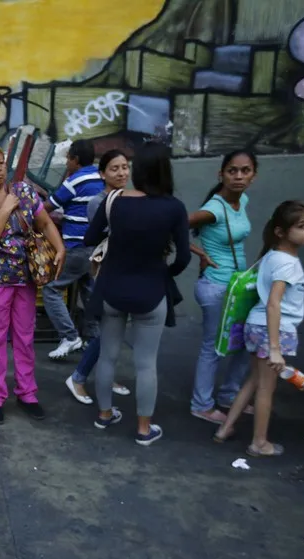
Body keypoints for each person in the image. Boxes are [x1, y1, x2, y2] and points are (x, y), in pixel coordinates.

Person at [85, 141, 191, 445]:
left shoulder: (115, 201)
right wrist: (163, 274)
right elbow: (183, 257)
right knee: (146, 363)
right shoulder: (174, 207)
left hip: (113, 289)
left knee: (107, 356)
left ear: (137, 170)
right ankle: (145, 429)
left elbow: (90, 238)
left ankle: (105, 415)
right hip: (151, 292)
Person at [0, 144, 66, 424]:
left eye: (0, 163)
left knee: (25, 337)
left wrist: (60, 248)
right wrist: (6, 208)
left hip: (25, 279)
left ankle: (27, 393)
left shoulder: (25, 192)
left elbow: (44, 223)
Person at [214, 201, 304, 456]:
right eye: (302, 226)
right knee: (265, 389)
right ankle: (259, 443)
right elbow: (274, 304)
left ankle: (225, 428)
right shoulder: (288, 263)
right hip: (273, 330)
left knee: (253, 381)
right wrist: (275, 349)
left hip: (256, 326)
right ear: (281, 232)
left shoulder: (272, 255)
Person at [188, 150, 258, 424]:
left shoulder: (242, 201)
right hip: (217, 287)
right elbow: (170, 226)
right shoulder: (214, 209)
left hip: (238, 286)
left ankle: (229, 395)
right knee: (213, 347)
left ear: (253, 175)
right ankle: (201, 404)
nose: (239, 176)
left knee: (243, 343)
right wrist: (200, 254)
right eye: (232, 171)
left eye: (245, 170)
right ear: (222, 175)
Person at [65, 149, 132, 404]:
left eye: (124, 166)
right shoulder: (99, 202)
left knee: (113, 330)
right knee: (108, 330)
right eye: (114, 168)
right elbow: (103, 239)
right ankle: (78, 376)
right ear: (102, 173)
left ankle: (105, 375)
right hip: (105, 271)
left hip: (122, 271)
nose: (121, 172)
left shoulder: (127, 198)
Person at [43, 139, 105, 359]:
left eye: (68, 157)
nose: (66, 162)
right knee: (88, 292)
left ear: (75, 160)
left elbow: (47, 206)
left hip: (77, 246)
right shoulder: (101, 176)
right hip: (97, 248)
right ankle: (94, 340)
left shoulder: (75, 180)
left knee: (51, 289)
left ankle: (70, 336)